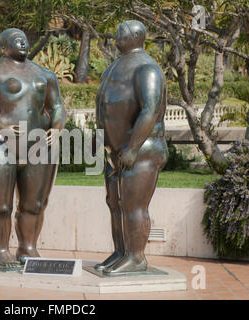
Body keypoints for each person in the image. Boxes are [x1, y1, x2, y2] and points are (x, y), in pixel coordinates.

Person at [0, 28, 66, 268]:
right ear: (3, 46)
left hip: (37, 146)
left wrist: (57, 127)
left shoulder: (45, 75)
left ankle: (28, 248)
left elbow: (57, 106)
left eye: (24, 39)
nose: (22, 43)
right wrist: (3, 127)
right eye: (15, 40)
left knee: (35, 204)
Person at [95, 20, 168, 275]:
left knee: (133, 205)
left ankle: (136, 257)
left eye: (120, 32)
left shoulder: (147, 68)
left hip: (140, 149)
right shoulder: (116, 65)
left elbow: (151, 109)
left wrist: (133, 148)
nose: (116, 34)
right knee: (115, 203)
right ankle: (121, 252)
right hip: (114, 152)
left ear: (135, 36)